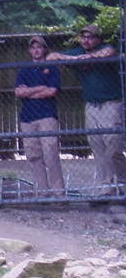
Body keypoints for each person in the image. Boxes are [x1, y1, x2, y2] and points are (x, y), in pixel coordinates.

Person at [53, 22, 126, 193]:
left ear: (98, 39)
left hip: (111, 105)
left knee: (113, 147)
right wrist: (77, 59)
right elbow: (52, 56)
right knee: (97, 146)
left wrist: (86, 58)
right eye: (83, 37)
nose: (86, 40)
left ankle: (121, 181)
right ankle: (105, 187)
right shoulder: (78, 52)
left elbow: (108, 53)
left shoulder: (107, 48)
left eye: (90, 37)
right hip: (91, 106)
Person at [13, 34, 64, 194]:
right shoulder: (24, 70)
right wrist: (39, 88)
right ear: (30, 50)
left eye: (39, 47)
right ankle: (42, 192)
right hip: (27, 117)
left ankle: (58, 192)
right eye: (33, 48)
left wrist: (29, 91)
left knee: (51, 154)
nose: (36, 50)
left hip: (47, 116)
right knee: (33, 156)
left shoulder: (52, 68)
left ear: (44, 49)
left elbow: (52, 91)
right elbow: (18, 93)